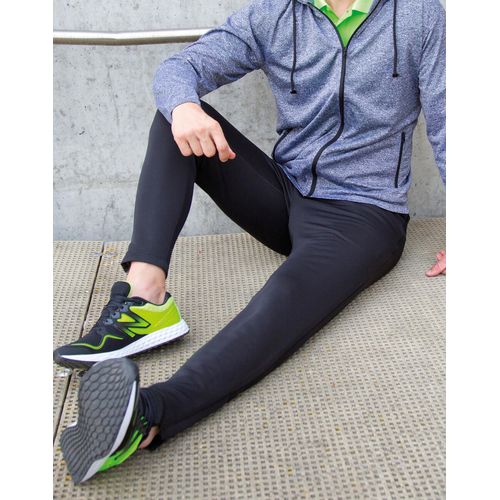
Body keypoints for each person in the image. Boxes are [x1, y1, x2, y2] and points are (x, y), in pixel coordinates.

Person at [53, 0, 446, 484]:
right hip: (286, 190)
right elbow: (180, 67)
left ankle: (150, 415)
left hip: (362, 213)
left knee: (285, 296)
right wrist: (184, 107)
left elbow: (451, 120)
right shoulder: (275, 14)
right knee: (176, 120)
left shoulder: (419, 14)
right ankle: (146, 300)